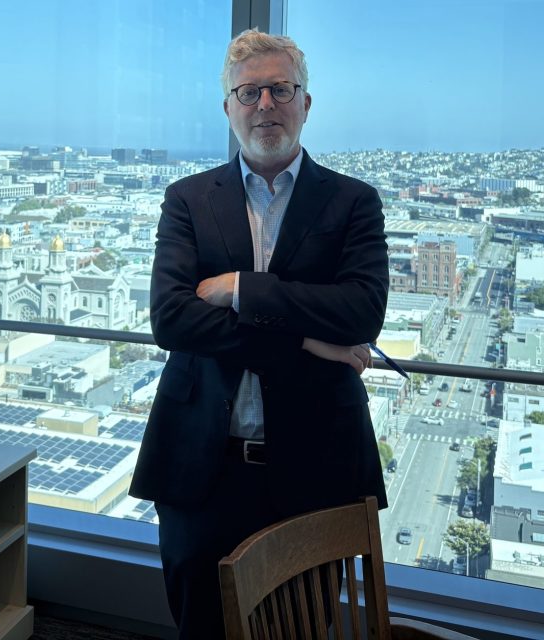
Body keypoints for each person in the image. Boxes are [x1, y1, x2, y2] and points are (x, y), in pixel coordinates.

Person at [129, 29, 389, 639]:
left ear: (306, 102)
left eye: (280, 89)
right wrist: (305, 339)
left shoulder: (353, 202)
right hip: (201, 465)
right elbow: (170, 318)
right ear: (228, 108)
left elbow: (360, 315)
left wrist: (241, 290)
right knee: (200, 623)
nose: (265, 105)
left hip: (314, 464)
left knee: (304, 625)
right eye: (249, 92)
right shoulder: (188, 200)